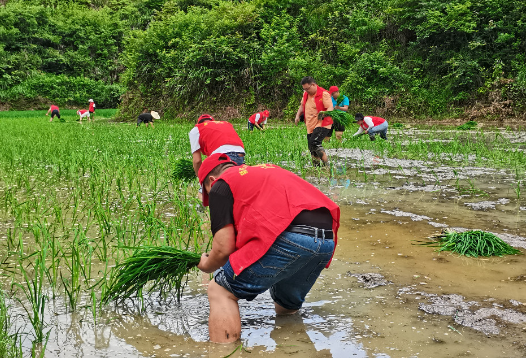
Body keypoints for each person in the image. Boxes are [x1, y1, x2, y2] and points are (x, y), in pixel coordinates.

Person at [196, 153, 340, 343]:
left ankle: (222, 351)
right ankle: (294, 348)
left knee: (219, 290)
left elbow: (223, 248)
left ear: (212, 180)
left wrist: (207, 264)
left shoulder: (220, 185)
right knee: (286, 304)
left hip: (291, 237)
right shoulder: (265, 171)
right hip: (326, 238)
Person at [294, 77, 334, 166]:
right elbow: (302, 106)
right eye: (304, 89)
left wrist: (325, 113)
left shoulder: (323, 93)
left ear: (313, 85)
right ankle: (316, 167)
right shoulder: (305, 94)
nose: (306, 91)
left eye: (307, 89)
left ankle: (326, 165)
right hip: (310, 124)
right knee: (311, 148)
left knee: (315, 143)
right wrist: (297, 116)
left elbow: (330, 107)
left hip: (322, 123)